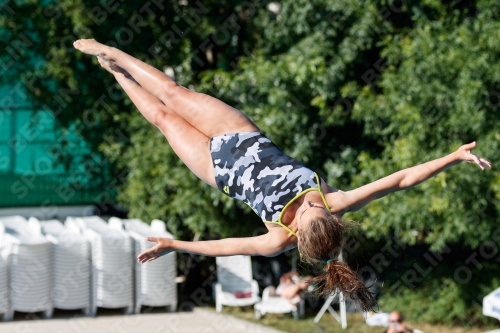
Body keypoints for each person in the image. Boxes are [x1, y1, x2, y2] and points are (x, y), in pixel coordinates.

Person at [73, 39, 492, 311]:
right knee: (175, 94)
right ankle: (110, 51)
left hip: (216, 167)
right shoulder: (334, 201)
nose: (312, 204)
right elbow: (400, 180)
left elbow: (226, 245)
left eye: (309, 213)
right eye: (319, 208)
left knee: (163, 118)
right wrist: (452, 157)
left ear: (300, 233)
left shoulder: (277, 238)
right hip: (238, 133)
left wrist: (175, 244)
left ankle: (115, 72)